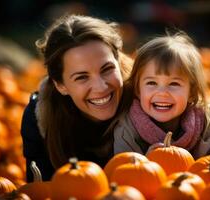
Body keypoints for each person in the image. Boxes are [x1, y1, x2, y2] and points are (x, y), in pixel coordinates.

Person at [21, 14, 133, 182]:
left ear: (117, 61)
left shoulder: (148, 97)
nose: (101, 87)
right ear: (60, 85)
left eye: (107, 69)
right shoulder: (39, 119)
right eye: (82, 77)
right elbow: (40, 190)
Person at [113, 32, 210, 163]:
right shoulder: (127, 130)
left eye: (174, 83)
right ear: (138, 89)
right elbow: (122, 174)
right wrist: (146, 163)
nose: (162, 92)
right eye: (151, 83)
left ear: (192, 92)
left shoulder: (209, 124)